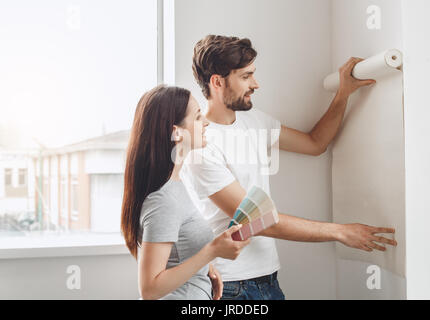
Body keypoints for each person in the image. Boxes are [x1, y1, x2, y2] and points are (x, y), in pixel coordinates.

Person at [179, 35, 398, 300]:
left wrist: (343, 93)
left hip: (267, 277)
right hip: (230, 286)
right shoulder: (201, 147)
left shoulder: (254, 120)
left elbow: (315, 143)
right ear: (217, 81)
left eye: (253, 74)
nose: (255, 84)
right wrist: (339, 231)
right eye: (246, 76)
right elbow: (257, 222)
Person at [120, 85, 250, 300]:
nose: (206, 123)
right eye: (198, 117)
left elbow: (176, 252)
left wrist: (205, 269)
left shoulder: (176, 184)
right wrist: (211, 252)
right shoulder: (163, 200)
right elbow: (149, 290)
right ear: (176, 132)